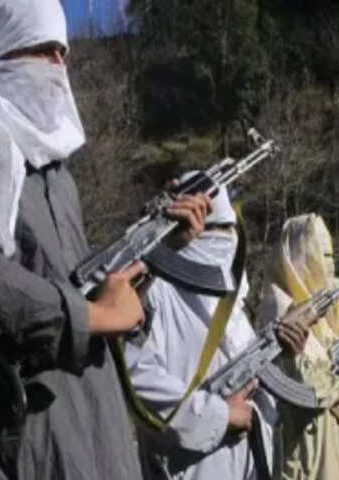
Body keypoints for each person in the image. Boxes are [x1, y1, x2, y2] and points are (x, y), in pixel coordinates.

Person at [0, 1, 210, 479]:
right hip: (24, 439)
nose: (58, 69)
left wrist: (158, 251)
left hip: (98, 419)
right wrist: (95, 317)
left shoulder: (56, 176)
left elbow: (85, 287)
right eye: (43, 52)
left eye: (62, 53)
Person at [127, 174, 304, 480]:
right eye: (215, 230)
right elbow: (133, 376)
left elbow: (255, 391)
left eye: (229, 230)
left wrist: (280, 355)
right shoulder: (153, 293)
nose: (225, 240)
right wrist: (219, 416)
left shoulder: (233, 309)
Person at [258, 213, 339, 480]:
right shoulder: (281, 313)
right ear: (299, 257)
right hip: (305, 455)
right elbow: (302, 391)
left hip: (331, 443)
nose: (328, 265)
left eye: (330, 256)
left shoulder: (318, 321)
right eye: (321, 256)